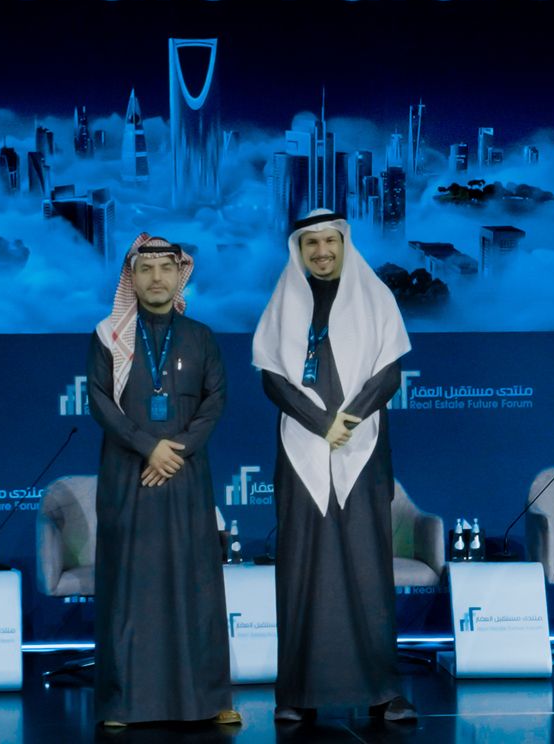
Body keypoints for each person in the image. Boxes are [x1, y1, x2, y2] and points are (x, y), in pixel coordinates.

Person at [253, 209, 416, 723]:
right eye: (311, 244)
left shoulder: (375, 297)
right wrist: (322, 424)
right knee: (301, 566)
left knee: (367, 565)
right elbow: (272, 378)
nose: (321, 252)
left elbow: (389, 373)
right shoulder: (284, 300)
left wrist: (349, 420)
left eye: (330, 242)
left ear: (345, 243)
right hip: (302, 451)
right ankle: (297, 693)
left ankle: (383, 692)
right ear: (299, 251)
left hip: (362, 448)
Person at [86, 234, 240, 728]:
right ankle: (122, 704)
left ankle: (209, 700)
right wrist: (147, 446)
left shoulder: (201, 336)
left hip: (185, 477)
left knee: (196, 585)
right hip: (128, 476)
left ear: (179, 275)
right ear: (131, 278)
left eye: (166, 269)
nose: (156, 278)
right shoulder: (108, 336)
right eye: (146, 269)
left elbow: (215, 400)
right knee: (130, 588)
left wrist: (177, 449)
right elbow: (100, 402)